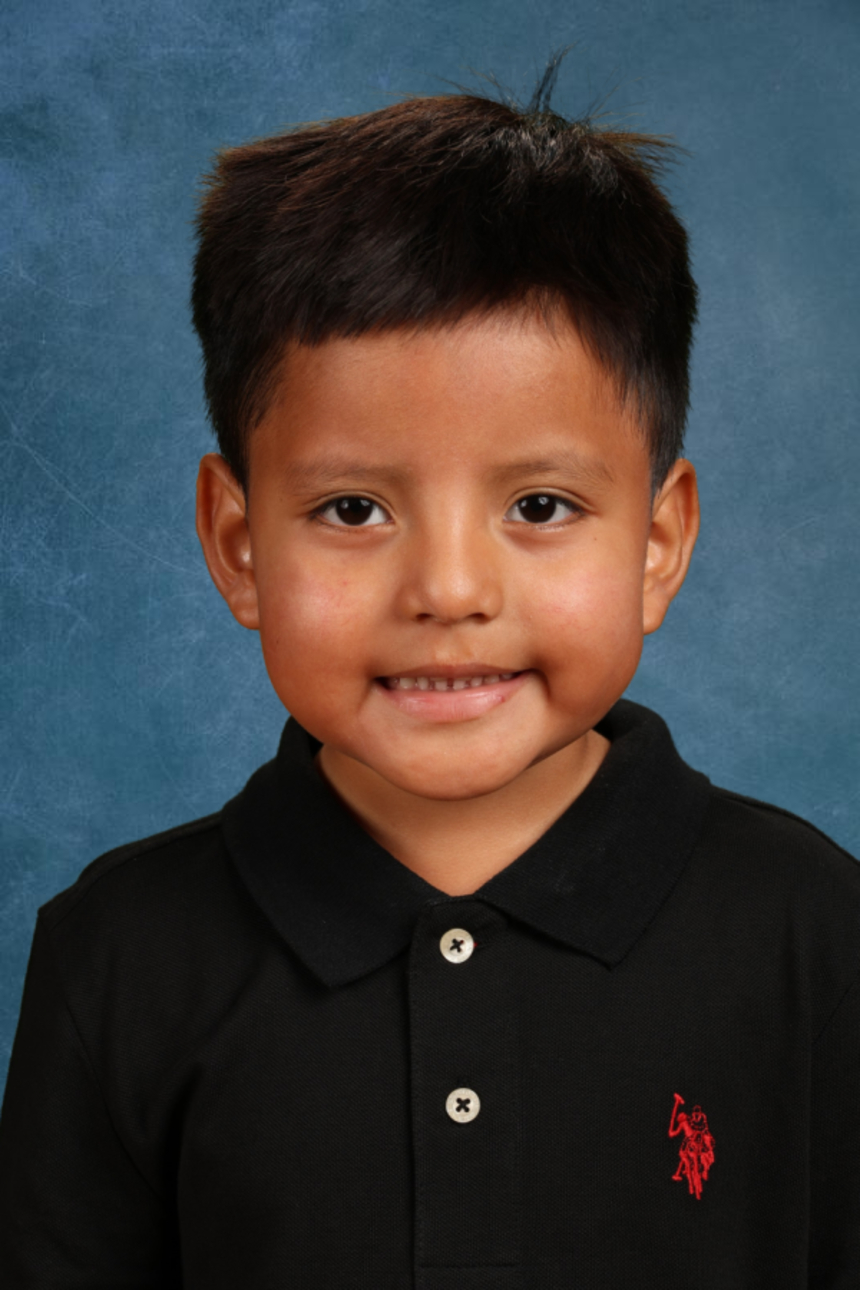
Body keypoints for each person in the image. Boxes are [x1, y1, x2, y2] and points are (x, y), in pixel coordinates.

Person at [1, 58, 857, 1288]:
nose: (448, 590)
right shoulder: (119, 955)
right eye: (352, 509)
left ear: (656, 544)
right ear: (238, 546)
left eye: (538, 505)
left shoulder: (813, 931)